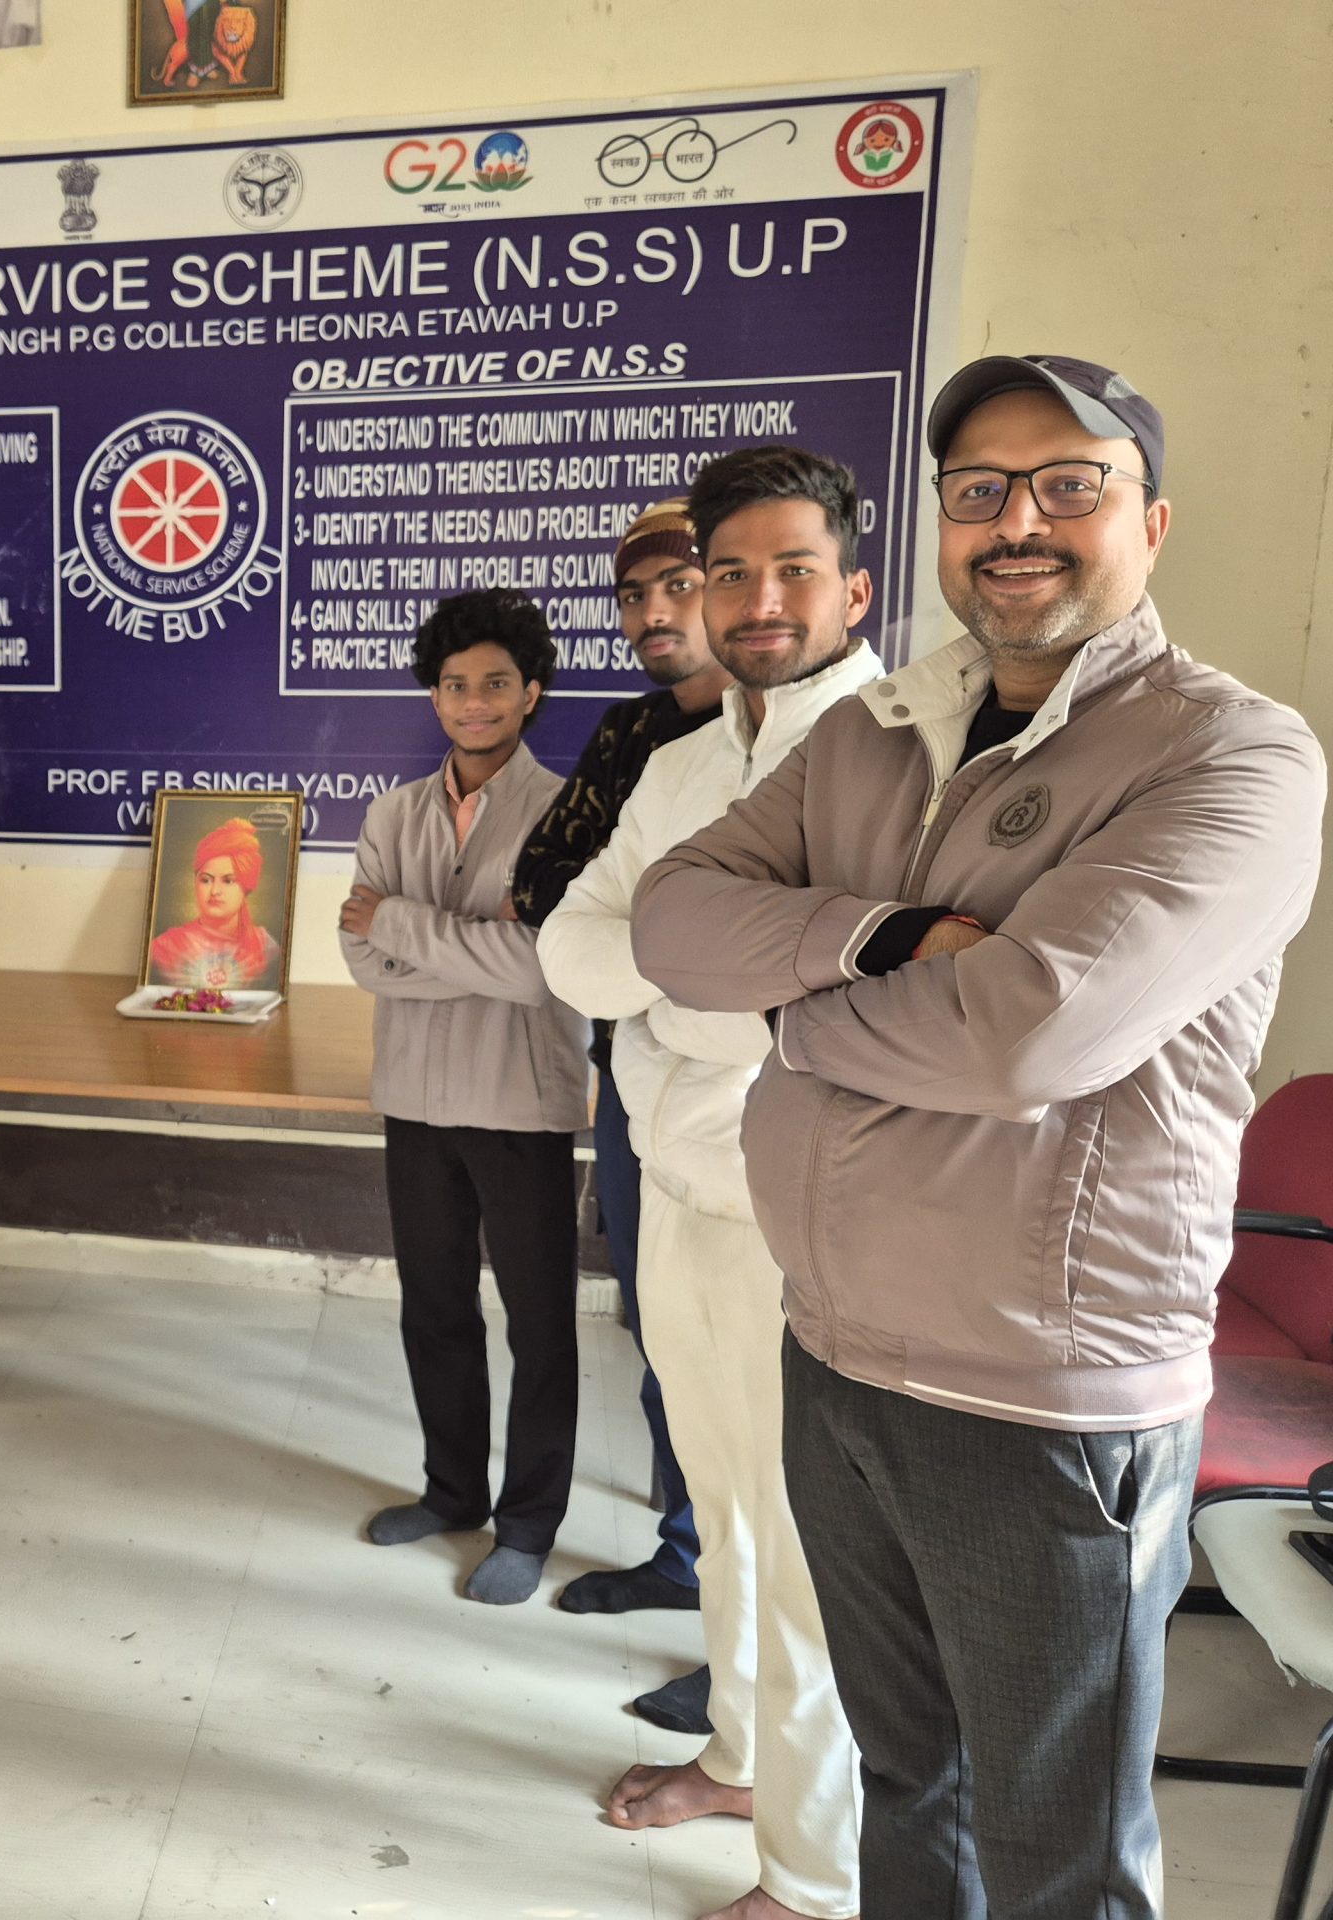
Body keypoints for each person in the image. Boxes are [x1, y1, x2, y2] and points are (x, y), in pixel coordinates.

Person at [635, 359, 1325, 1916]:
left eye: (1069, 483)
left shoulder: (1232, 754)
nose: (1018, 521)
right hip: (837, 1356)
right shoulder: (876, 734)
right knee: (909, 1791)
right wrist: (881, 940)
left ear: (1152, 521)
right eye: (979, 490)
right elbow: (674, 923)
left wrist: (793, 1018)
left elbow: (1026, 1036)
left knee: (1055, 1853)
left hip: (1042, 1403)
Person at [541, 448, 881, 1920]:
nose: (757, 600)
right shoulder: (680, 763)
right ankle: (742, 1761)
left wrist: (678, 983)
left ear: (855, 586)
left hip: (808, 1209)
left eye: (793, 568)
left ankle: (812, 1878)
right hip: (675, 1180)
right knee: (727, 1505)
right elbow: (572, 947)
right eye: (727, 572)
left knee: (805, 1543)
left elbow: (849, 992)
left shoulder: (896, 754)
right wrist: (707, 982)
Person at [510, 498, 727, 1733]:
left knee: (753, 1364)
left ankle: (750, 1653)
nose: (653, 613)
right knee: (660, 1325)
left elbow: (767, 941)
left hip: (753, 1100)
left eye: (678, 585)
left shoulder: (809, 734)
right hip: (634, 1081)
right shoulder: (633, 734)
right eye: (634, 595)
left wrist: (640, 937)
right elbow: (544, 888)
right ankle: (685, 1554)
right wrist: (673, 946)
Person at [339, 587, 590, 1606]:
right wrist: (471, 951)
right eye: (454, 684)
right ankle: (451, 1492)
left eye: (495, 683)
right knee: (434, 1308)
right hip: (413, 1098)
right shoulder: (391, 813)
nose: (473, 701)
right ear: (433, 695)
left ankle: (527, 1525)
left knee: (539, 1325)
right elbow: (360, 960)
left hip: (520, 1105)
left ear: (530, 692)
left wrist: (400, 921)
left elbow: (538, 970)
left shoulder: (568, 813)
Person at [147, 815, 282, 990]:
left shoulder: (266, 948)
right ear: (195, 883)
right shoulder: (165, 947)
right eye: (206, 880)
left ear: (246, 887)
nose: (215, 891)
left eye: (228, 881)